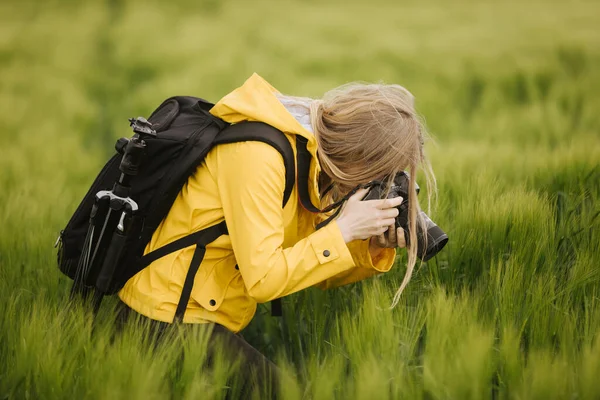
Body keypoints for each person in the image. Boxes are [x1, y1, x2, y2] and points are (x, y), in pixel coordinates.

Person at [116, 73, 434, 394]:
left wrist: (367, 246)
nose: (377, 184)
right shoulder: (260, 156)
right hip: (164, 313)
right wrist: (344, 229)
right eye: (380, 174)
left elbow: (309, 266)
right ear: (360, 156)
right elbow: (265, 279)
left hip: (205, 313)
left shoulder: (311, 161)